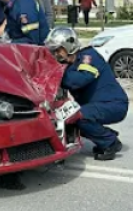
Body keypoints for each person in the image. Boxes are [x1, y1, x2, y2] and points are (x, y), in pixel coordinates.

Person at [46, 26, 128, 161]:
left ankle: (110, 142)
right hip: (98, 105)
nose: (55, 54)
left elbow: (78, 80)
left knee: (78, 117)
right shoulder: (70, 64)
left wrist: (58, 74)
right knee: (68, 119)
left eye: (58, 50)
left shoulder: (89, 57)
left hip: (114, 104)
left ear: (68, 46)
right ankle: (106, 135)